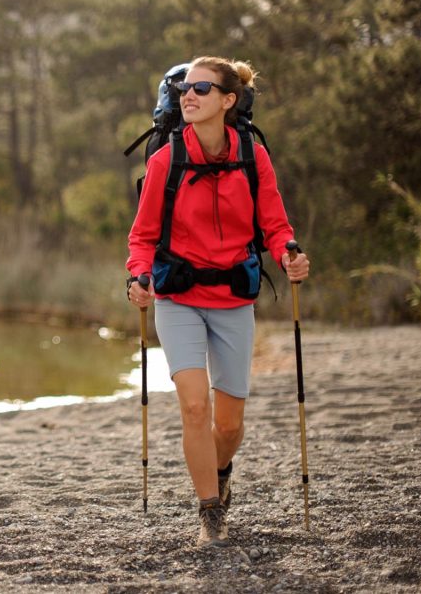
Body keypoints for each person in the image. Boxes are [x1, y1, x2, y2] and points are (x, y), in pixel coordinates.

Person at [125, 56, 310, 548]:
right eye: (185, 88)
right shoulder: (166, 160)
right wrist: (138, 276)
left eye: (202, 89)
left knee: (227, 426)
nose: (190, 95)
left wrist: (289, 254)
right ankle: (209, 513)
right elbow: (142, 237)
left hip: (232, 298)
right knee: (192, 407)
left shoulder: (252, 155)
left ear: (229, 101)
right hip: (178, 298)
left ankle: (222, 471)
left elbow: (275, 225)